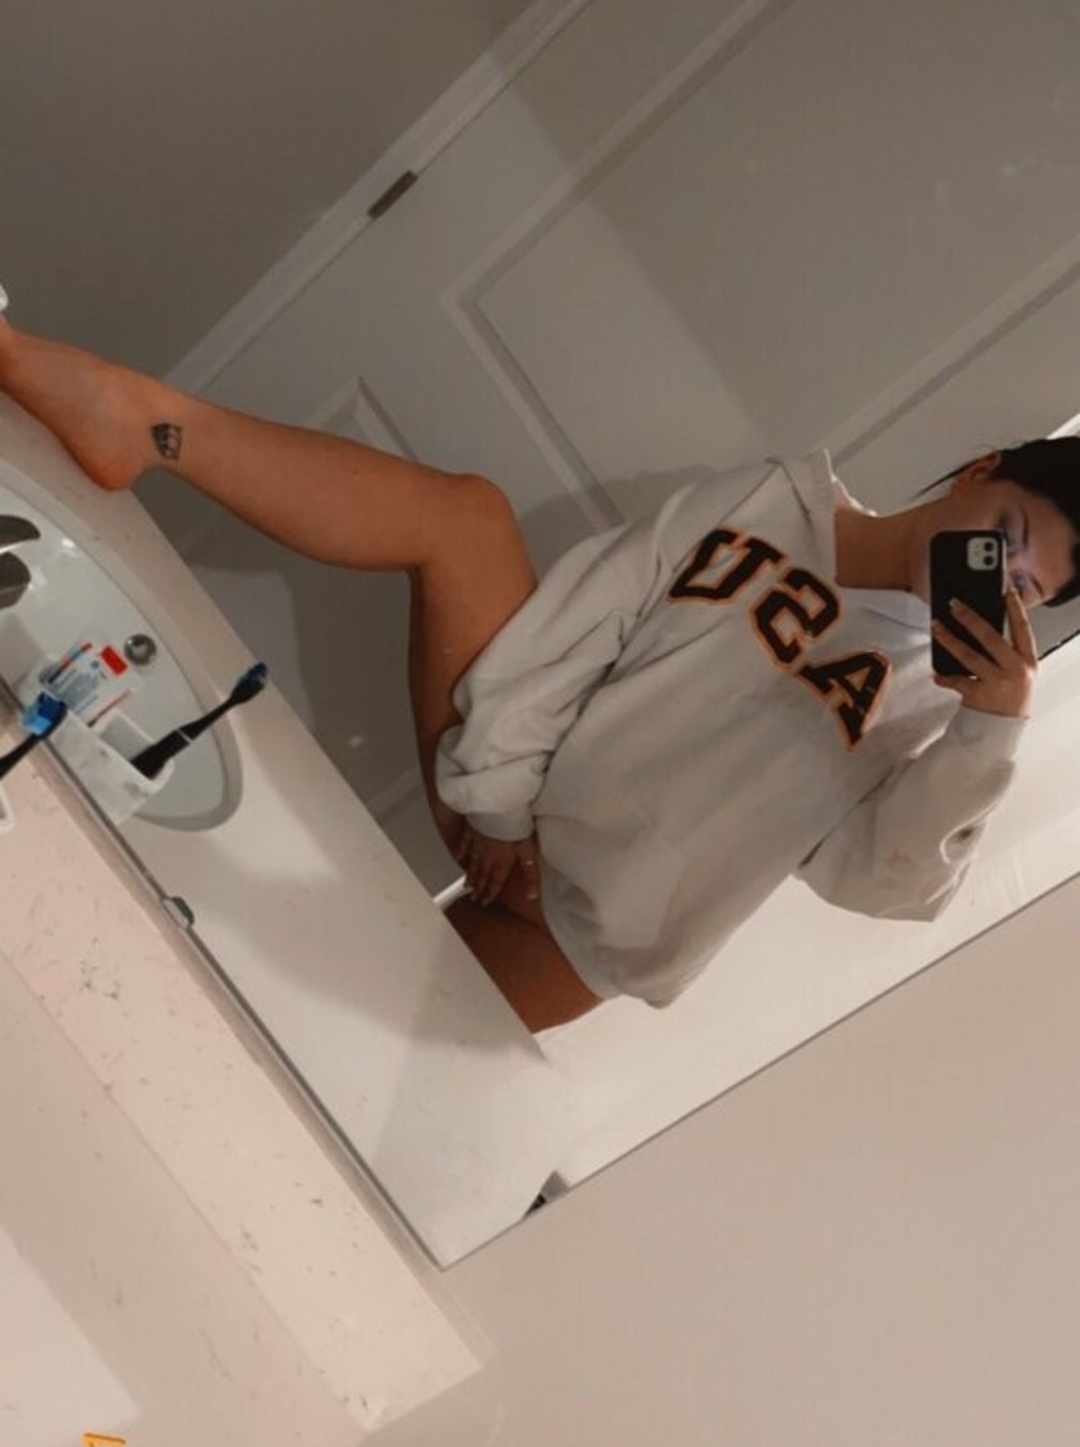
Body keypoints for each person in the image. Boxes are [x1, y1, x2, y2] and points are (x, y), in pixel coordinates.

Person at [2, 315, 1078, 1034]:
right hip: (507, 806)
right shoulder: (774, 501)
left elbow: (881, 880)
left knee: (283, 1036)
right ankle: (135, 417)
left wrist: (991, 732)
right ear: (983, 471)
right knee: (466, 518)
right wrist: (502, 804)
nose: (1001, 578)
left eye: (1027, 588)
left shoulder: (938, 705)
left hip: (577, 942)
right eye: (1010, 535)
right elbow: (590, 617)